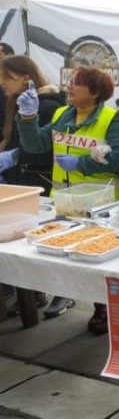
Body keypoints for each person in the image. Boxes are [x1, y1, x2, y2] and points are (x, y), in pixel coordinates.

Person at [16, 65, 119, 333]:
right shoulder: (62, 114)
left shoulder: (111, 118)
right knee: (70, 259)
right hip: (65, 202)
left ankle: (105, 309)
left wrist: (82, 162)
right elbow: (36, 145)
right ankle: (90, 302)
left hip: (99, 205)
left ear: (95, 91)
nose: (70, 87)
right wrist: (28, 117)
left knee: (98, 262)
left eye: (77, 83)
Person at [0, 55, 66, 318]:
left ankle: (63, 292)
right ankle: (34, 292)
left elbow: (42, 145)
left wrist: (14, 156)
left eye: (7, 77)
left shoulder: (47, 105)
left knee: (51, 238)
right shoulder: (15, 103)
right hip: (22, 179)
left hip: (41, 180)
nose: (2, 83)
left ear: (25, 77)